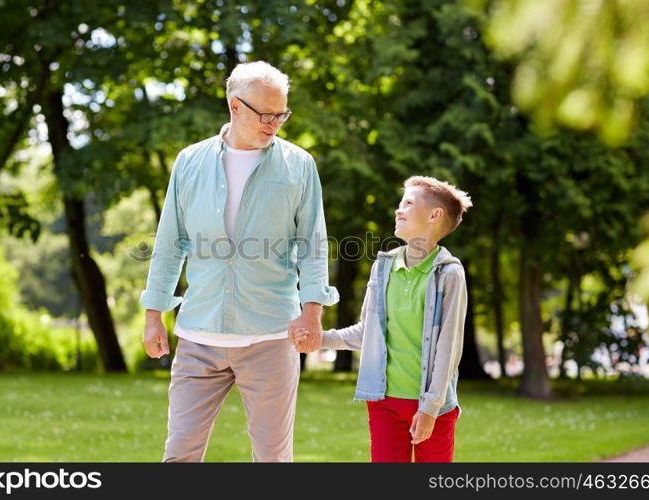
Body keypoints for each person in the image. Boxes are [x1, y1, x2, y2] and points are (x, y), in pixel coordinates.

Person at [139, 61, 338, 462]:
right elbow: (169, 242)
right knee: (178, 455)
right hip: (199, 336)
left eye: (281, 114)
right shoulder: (189, 162)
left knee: (273, 459)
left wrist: (312, 311)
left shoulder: (299, 165)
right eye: (265, 114)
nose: (274, 123)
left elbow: (312, 243)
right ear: (234, 106)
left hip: (269, 337)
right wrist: (153, 314)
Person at [292, 176, 471, 462]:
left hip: (433, 407)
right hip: (384, 401)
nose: (398, 210)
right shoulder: (383, 267)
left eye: (408, 203)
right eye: (400, 204)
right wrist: (320, 339)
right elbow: (367, 332)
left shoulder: (448, 274)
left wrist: (430, 408)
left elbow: (448, 349)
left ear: (435, 215)